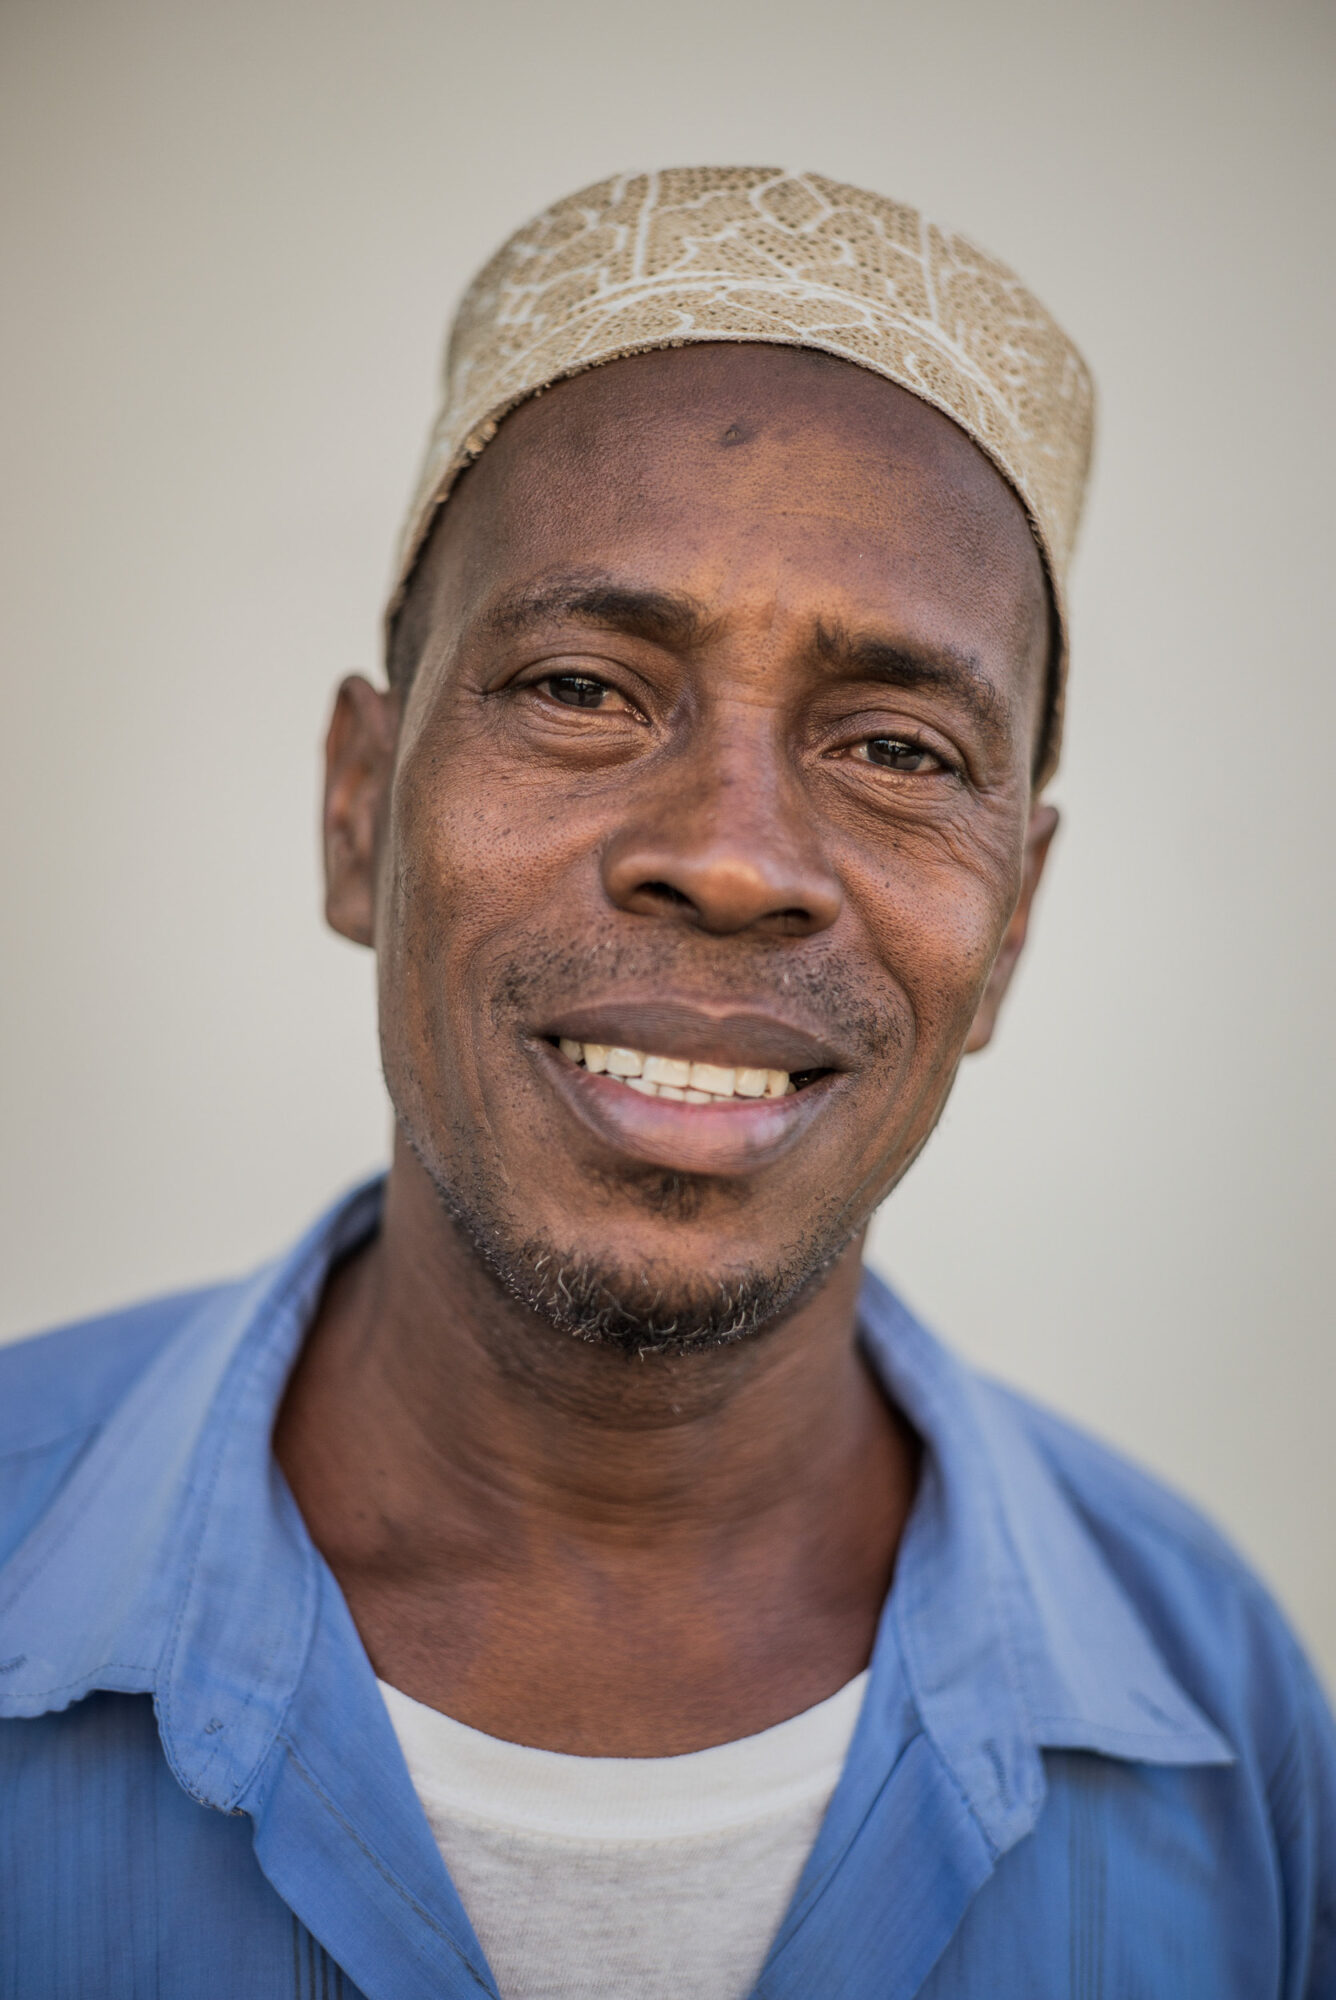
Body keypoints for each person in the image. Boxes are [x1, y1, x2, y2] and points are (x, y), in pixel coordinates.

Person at [0, 167, 1331, 2000]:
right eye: (579, 687)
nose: (728, 855)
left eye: (892, 746)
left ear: (1011, 924)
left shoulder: (1222, 1712)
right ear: (357, 810)